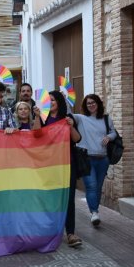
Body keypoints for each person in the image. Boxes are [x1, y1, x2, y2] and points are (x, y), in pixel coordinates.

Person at [44, 91, 83, 247]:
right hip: (47, 165)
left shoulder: (68, 118)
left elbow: (77, 139)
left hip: (67, 163)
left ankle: (71, 233)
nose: (50, 102)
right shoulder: (43, 118)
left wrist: (70, 126)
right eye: (48, 100)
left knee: (68, 198)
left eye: (53, 100)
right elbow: (35, 136)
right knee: (49, 198)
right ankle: (50, 231)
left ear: (59, 102)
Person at [73, 94, 117, 226]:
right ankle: (94, 212)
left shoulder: (106, 119)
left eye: (93, 102)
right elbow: (67, 116)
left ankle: (94, 211)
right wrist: (65, 101)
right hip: (86, 158)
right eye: (88, 103)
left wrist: (109, 137)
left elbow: (114, 133)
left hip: (103, 159)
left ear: (98, 104)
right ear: (85, 106)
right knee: (91, 186)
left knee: (97, 187)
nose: (91, 105)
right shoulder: (80, 118)